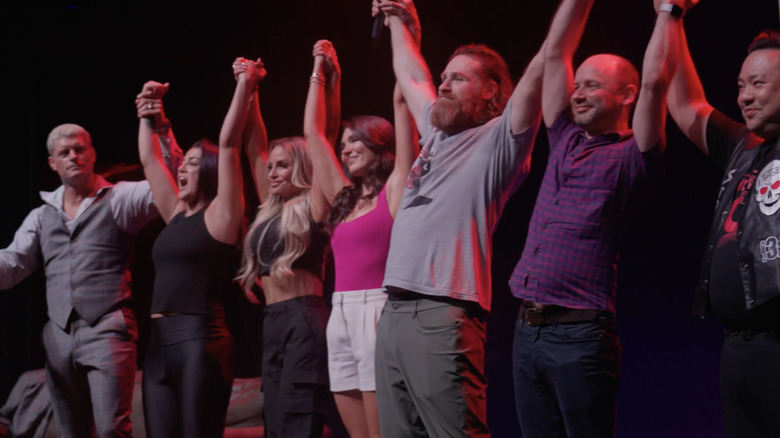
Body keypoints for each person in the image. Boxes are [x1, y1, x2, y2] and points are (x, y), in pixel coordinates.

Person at [508, 0, 686, 436]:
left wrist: (668, 11)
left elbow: (655, 83)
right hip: (525, 331)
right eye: (578, 86)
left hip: (580, 337)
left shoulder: (632, 157)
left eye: (592, 85)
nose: (579, 93)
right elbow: (555, 54)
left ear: (625, 96)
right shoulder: (565, 137)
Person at [371, 0, 545, 435]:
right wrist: (396, 19)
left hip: (441, 310)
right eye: (444, 77)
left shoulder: (498, 143)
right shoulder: (435, 134)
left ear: (491, 91)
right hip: (394, 311)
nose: (444, 85)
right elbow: (412, 74)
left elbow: (543, 70)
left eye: (459, 78)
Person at [0, 120, 180, 437]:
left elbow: (165, 184)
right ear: (53, 163)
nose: (73, 156)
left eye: (80, 149)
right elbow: (12, 264)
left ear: (93, 154)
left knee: (112, 429)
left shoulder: (120, 198)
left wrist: (160, 128)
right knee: (72, 432)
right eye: (64, 152)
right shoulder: (42, 215)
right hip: (58, 336)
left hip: (107, 327)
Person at [665, 5, 780, 436]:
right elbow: (684, 103)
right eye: (740, 85)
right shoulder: (741, 145)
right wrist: (671, 14)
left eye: (757, 83)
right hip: (736, 348)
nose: (744, 95)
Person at [302, 38, 418, 438]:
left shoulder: (396, 191)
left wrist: (404, 35)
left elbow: (404, 105)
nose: (346, 148)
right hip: (341, 314)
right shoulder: (344, 199)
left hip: (378, 310)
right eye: (345, 142)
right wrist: (322, 71)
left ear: (378, 142)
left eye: (355, 139)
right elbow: (314, 135)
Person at [134, 56, 255, 437]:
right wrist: (147, 112)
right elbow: (150, 159)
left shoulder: (221, 215)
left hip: (199, 342)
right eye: (182, 163)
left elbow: (230, 142)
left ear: (210, 172)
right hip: (158, 347)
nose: (181, 169)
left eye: (191, 163)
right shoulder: (176, 214)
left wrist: (245, 85)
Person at [236, 59, 332, 438]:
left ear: (303, 167)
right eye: (271, 167)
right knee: (275, 422)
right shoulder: (270, 208)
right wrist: (252, 89)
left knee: (297, 419)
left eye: (283, 165)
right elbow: (254, 147)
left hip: (304, 319)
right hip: (273, 320)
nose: (272, 172)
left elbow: (321, 133)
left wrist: (320, 75)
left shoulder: (315, 204)